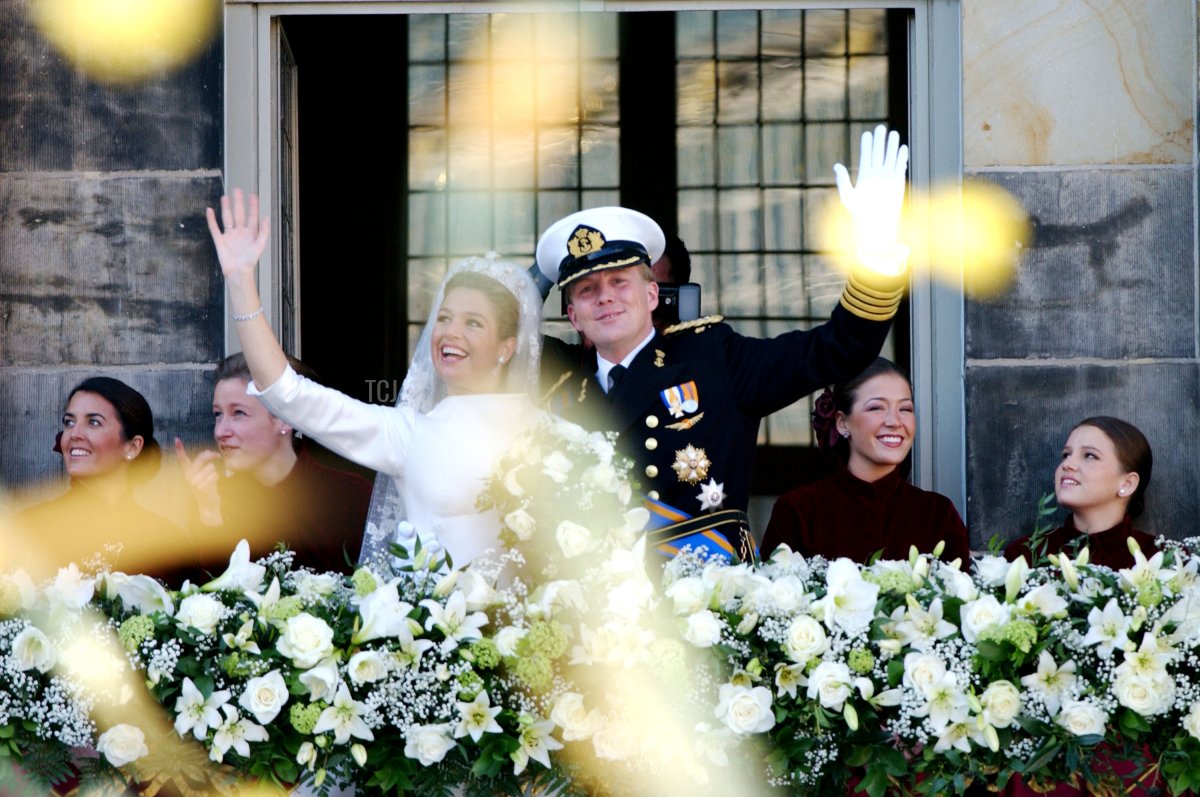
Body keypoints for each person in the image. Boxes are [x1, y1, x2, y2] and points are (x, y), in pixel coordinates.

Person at [535, 126, 909, 558]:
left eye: (620, 282)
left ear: (653, 295)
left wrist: (877, 251)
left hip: (705, 588)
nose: (605, 297)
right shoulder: (560, 379)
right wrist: (526, 288)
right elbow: (485, 348)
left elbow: (836, 349)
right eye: (587, 290)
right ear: (572, 315)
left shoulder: (713, 357)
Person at [204, 190, 544, 566]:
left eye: (473, 323)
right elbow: (289, 394)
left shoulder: (553, 436)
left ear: (507, 347)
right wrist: (240, 282)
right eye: (444, 318)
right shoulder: (408, 435)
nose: (451, 332)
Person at [174, 353, 372, 578]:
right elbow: (213, 591)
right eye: (218, 414)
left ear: (285, 419)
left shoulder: (352, 496)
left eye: (238, 413)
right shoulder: (213, 499)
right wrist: (210, 514)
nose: (221, 431)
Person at [758, 358, 969, 563]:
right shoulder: (799, 511)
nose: (894, 422)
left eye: (905, 409)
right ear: (842, 423)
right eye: (876, 408)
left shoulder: (938, 514)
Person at [14, 377, 184, 578]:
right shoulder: (27, 529)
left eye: (93, 422)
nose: (74, 433)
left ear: (132, 446)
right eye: (69, 422)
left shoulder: (166, 542)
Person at [1004, 416, 1155, 569]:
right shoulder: (1023, 556)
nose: (1067, 464)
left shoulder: (1159, 558)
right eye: (1066, 455)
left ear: (1127, 484)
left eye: (1090, 455)